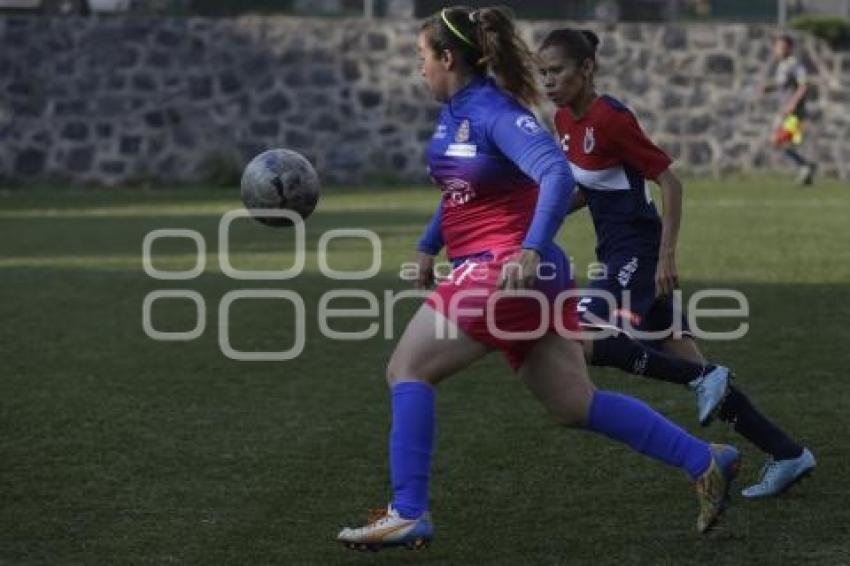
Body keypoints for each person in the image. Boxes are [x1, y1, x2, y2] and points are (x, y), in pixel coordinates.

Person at [336, 7, 740, 553]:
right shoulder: (457, 110)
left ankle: (408, 511)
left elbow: (552, 171)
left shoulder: (495, 111)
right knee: (574, 404)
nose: (418, 69)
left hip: (505, 271)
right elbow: (460, 188)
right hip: (512, 271)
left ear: (448, 59)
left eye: (421, 58)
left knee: (407, 368)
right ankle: (703, 459)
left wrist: (526, 250)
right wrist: (429, 245)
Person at [537, 28, 815, 500]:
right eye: (543, 73)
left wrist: (667, 256)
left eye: (557, 71)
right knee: (688, 358)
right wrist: (545, 217)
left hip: (640, 254)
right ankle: (788, 453)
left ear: (586, 69)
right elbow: (593, 186)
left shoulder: (612, 118)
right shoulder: (564, 119)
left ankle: (704, 379)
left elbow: (670, 184)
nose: (548, 82)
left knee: (584, 334)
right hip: (618, 253)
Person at [760, 33, 817, 185]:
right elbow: (783, 84)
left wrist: (792, 103)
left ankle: (805, 166)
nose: (778, 50)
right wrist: (769, 88)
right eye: (777, 47)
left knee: (777, 141)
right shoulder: (783, 65)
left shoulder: (794, 64)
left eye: (782, 47)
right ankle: (806, 167)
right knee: (779, 142)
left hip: (794, 113)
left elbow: (804, 86)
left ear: (789, 48)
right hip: (785, 111)